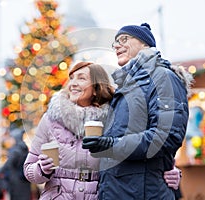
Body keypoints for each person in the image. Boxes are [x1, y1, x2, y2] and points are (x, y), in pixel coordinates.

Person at [23, 61, 181, 200]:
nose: (73, 83)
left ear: (96, 89)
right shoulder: (50, 119)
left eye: (82, 78)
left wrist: (170, 171)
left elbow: (135, 150)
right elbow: (28, 169)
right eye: (72, 78)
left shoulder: (115, 120)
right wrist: (41, 169)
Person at [82, 23, 193, 199]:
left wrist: (112, 145)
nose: (117, 45)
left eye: (123, 39)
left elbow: (166, 136)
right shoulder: (125, 87)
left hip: (144, 193)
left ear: (144, 44)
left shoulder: (162, 77)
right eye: (115, 42)